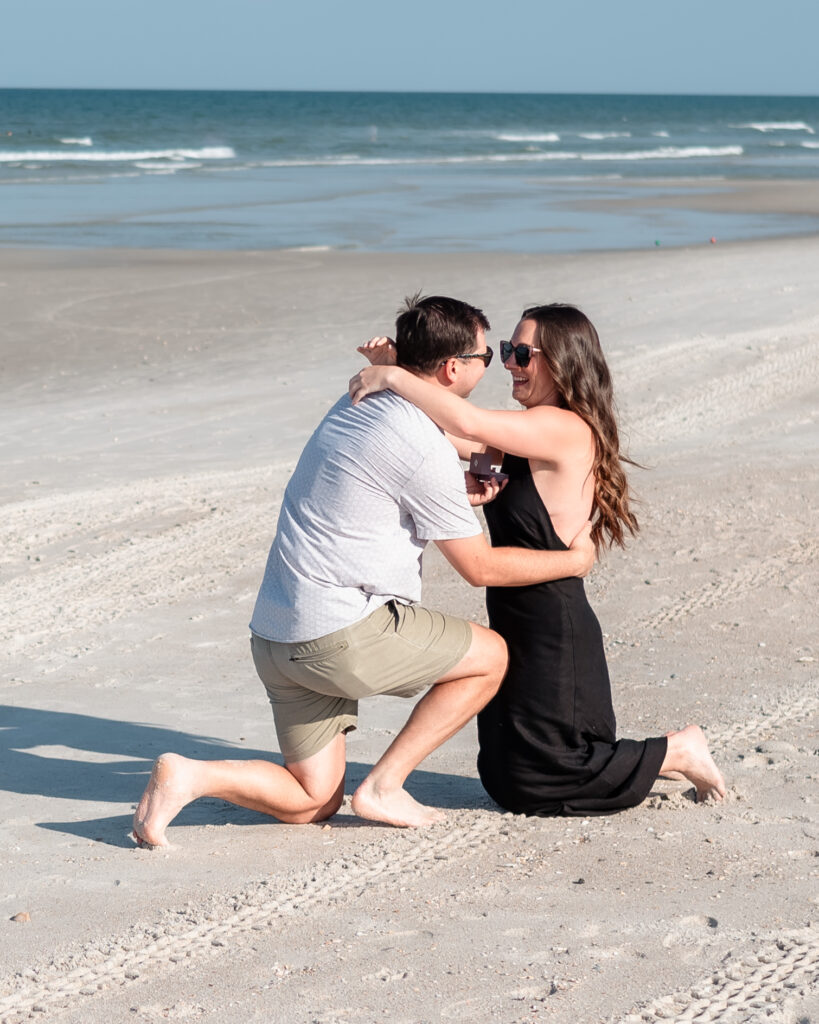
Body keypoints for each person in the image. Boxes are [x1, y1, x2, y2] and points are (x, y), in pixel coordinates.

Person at [132, 296, 595, 847]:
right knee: (491, 656)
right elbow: (478, 567)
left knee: (312, 800)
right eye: (488, 358)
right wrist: (574, 560)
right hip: (338, 636)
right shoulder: (424, 445)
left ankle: (191, 776)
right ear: (452, 369)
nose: (496, 366)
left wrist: (453, 485)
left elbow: (397, 467)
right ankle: (385, 786)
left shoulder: (355, 400)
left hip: (277, 636)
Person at [349, 303, 726, 816]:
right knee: (509, 776)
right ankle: (667, 753)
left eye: (522, 353)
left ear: (562, 361)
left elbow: (462, 418)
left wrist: (393, 373)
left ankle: (678, 749)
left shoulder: (565, 427)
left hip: (554, 624)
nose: (508, 363)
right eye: (506, 351)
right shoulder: (524, 430)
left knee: (553, 773)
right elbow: (443, 432)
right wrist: (404, 369)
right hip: (514, 616)